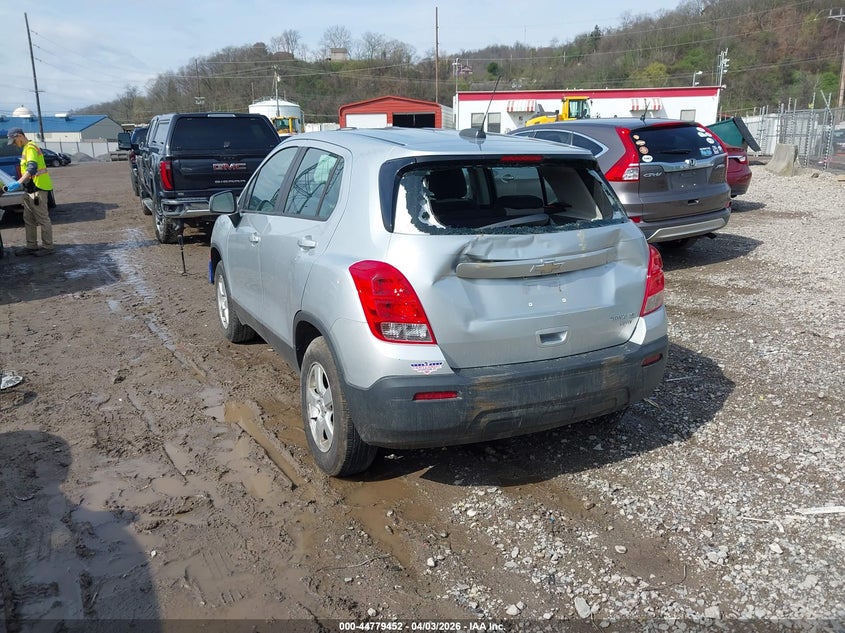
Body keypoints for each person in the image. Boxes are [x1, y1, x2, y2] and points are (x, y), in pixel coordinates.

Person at [4, 127, 55, 256]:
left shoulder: (31, 147)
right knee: (29, 218)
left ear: (20, 136)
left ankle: (48, 247)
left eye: (14, 141)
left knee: (43, 219)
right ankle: (31, 246)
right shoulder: (26, 149)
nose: (14, 144)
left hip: (38, 188)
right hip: (30, 189)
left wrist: (18, 183)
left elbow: (32, 168)